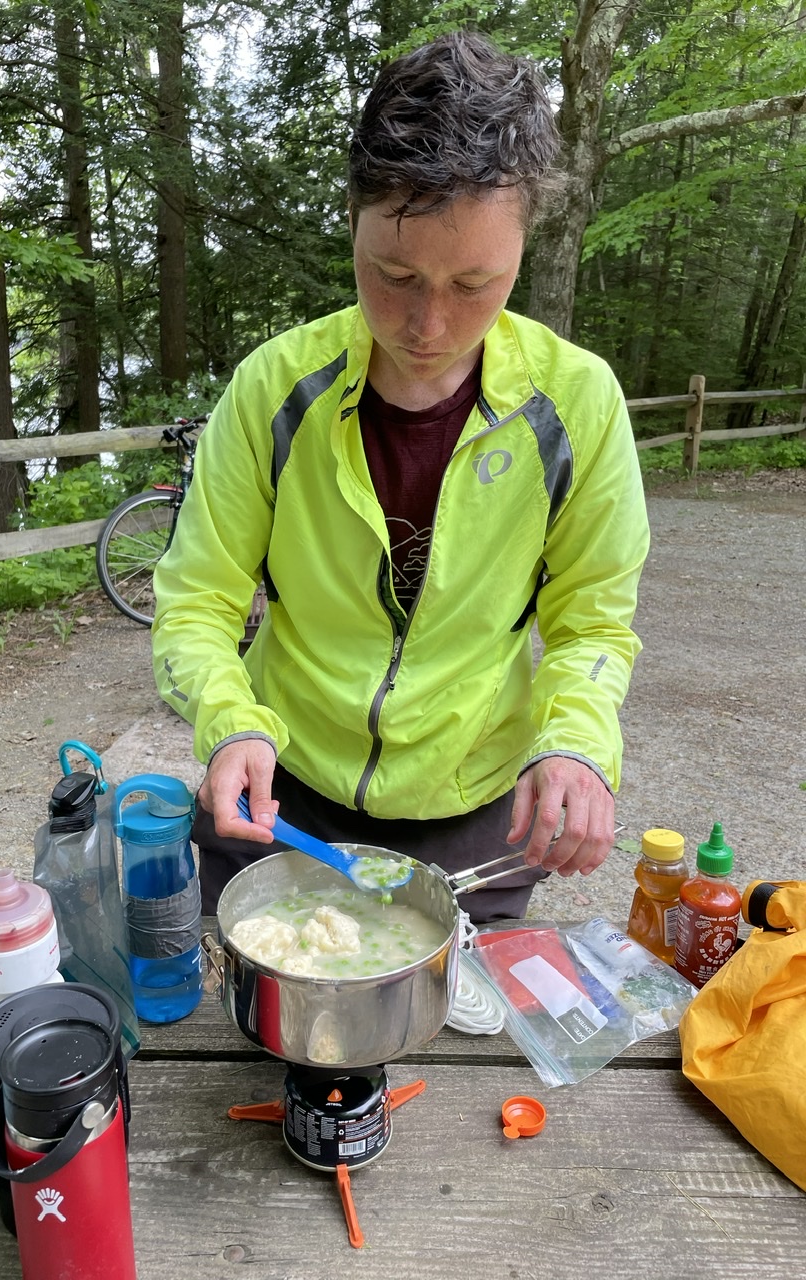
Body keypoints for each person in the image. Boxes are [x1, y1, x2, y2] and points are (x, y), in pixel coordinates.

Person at [152, 30, 650, 922]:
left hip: (476, 813)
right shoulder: (274, 388)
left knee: (456, 1032)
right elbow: (197, 602)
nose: (428, 321)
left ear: (524, 247)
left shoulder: (578, 404)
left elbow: (593, 622)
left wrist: (576, 741)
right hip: (282, 792)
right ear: (353, 221)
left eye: (474, 282)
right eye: (394, 274)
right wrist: (230, 721)